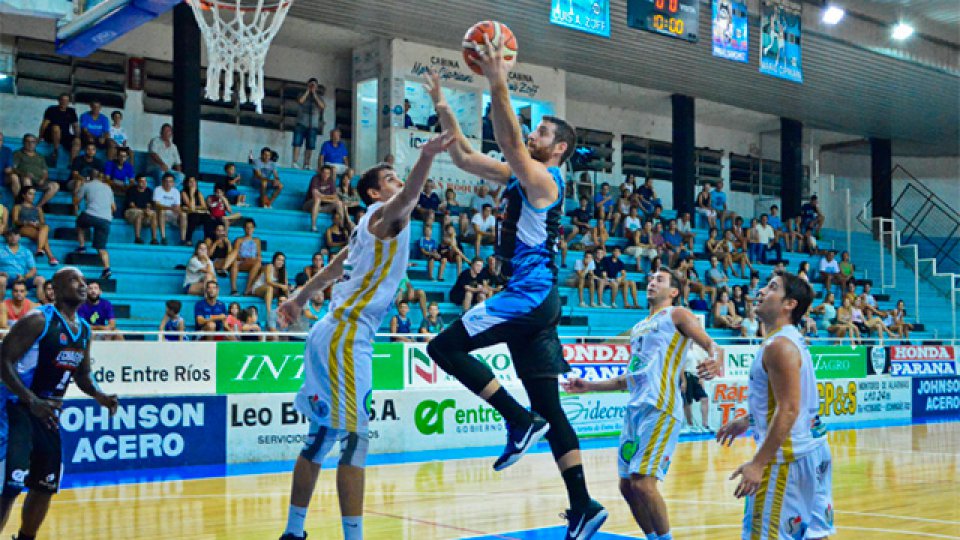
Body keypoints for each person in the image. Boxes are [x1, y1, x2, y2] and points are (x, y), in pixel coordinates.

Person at [424, 57, 607, 538]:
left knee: (442, 348)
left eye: (542, 131)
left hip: (528, 295)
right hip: (537, 301)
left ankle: (517, 420)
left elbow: (509, 142)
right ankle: (583, 505)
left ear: (559, 148)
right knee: (551, 407)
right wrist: (442, 104)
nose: (533, 134)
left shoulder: (545, 180)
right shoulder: (519, 176)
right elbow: (464, 157)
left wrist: (497, 80)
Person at [273, 132, 452, 540]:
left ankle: (293, 532)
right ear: (374, 192)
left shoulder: (364, 227)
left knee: (320, 438)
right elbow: (410, 196)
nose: (398, 182)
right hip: (347, 337)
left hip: (332, 332)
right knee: (355, 442)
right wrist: (426, 155)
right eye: (390, 179)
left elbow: (336, 266)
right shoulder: (386, 216)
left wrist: (300, 298)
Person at [562, 269, 721, 540]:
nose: (651, 282)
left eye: (659, 280)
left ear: (673, 292)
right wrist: (589, 385)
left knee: (644, 484)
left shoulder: (677, 314)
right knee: (627, 486)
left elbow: (710, 343)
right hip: (635, 410)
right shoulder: (638, 328)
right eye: (651, 278)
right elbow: (630, 378)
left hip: (661, 407)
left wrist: (715, 357)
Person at [0, 267, 119, 540]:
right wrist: (31, 400)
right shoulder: (38, 321)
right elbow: (2, 361)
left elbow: (83, 375)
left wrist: (100, 395)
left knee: (46, 484)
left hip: (47, 414)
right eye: (74, 280)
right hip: (16, 408)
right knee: (10, 485)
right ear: (55, 289)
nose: (82, 284)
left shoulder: (84, 330)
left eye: (84, 280)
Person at [716, 272, 818, 540]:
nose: (761, 291)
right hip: (802, 454)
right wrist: (749, 420)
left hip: (781, 460)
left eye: (772, 287)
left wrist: (758, 463)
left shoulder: (779, 345)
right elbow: (790, 400)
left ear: (789, 304)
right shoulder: (791, 339)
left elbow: (789, 409)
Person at [73, 170, 115, 279]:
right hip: (106, 219)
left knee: (79, 223)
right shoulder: (108, 188)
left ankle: (82, 246)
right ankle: (107, 269)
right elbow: (114, 207)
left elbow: (76, 201)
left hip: (90, 215)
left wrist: (77, 190)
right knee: (101, 248)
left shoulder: (86, 185)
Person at [12, 187, 58, 265]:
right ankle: (51, 257)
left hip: (36, 227)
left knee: (45, 227)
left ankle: (40, 249)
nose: (33, 196)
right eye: (30, 194)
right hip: (23, 227)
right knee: (42, 236)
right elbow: (15, 221)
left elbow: (42, 222)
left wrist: (37, 224)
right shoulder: (18, 207)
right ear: (24, 195)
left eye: (34, 194)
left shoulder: (38, 208)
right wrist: (27, 222)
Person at [13, 134, 58, 208]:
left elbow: (45, 172)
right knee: (27, 180)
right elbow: (13, 169)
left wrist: (43, 180)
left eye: (33, 142)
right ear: (23, 142)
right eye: (27, 141)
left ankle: (38, 207)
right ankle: (27, 206)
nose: (30, 144)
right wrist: (24, 174)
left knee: (55, 186)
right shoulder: (18, 154)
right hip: (25, 180)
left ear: (36, 143)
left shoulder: (40, 156)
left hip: (39, 181)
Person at [291, 78, 326, 169]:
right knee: (297, 143)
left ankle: (307, 164)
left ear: (317, 87)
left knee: (310, 145)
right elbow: (300, 101)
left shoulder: (319, 97)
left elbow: (322, 106)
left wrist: (314, 94)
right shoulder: (301, 94)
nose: (312, 86)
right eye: (311, 84)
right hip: (301, 123)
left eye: (314, 85)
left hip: (313, 125)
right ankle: (294, 162)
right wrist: (307, 91)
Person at [223, 219, 263, 296]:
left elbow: (259, 254)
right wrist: (244, 258)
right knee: (234, 263)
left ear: (254, 228)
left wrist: (257, 258)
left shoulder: (257, 240)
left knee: (258, 263)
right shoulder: (239, 240)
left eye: (251, 227)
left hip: (252, 262)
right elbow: (235, 254)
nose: (249, 229)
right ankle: (234, 289)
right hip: (241, 262)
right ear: (244, 229)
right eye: (247, 227)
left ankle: (247, 289)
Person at [0, 230, 46, 295]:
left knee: (41, 280)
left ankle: (42, 301)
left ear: (19, 237)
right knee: (1, 280)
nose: (13, 237)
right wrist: (1, 273)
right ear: (6, 237)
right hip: (6, 279)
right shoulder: (1, 250)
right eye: (10, 235)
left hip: (23, 279)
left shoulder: (26, 251)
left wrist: (24, 277)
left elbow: (33, 270)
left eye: (16, 235)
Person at [39, 92, 81, 162]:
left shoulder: (71, 111)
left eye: (67, 101)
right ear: (59, 101)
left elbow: (75, 126)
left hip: (64, 135)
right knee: (56, 128)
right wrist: (40, 137)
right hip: (51, 135)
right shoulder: (51, 109)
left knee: (77, 141)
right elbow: (44, 124)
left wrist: (78, 137)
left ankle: (72, 164)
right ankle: (56, 151)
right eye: (63, 100)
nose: (64, 102)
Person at [682, 343, 711, 433]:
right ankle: (689, 424)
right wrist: (683, 380)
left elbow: (699, 365)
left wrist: (701, 378)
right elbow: (681, 366)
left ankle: (705, 424)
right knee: (688, 401)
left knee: (704, 398)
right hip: (687, 374)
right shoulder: (683, 349)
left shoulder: (696, 349)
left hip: (695, 376)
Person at [304, 165, 343, 232]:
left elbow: (335, 196)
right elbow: (315, 195)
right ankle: (313, 226)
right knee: (317, 200)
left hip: (323, 206)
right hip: (310, 205)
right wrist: (329, 197)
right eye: (324, 173)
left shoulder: (331, 181)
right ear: (321, 173)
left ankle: (342, 227)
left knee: (339, 203)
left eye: (328, 173)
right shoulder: (315, 179)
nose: (326, 175)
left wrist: (323, 196)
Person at [153, 172, 187, 245]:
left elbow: (177, 206)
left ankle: (183, 239)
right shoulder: (157, 189)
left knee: (183, 215)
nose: (168, 183)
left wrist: (178, 210)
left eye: (170, 181)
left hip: (172, 214)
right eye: (166, 181)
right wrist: (170, 208)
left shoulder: (176, 191)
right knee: (162, 211)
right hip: (160, 214)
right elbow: (157, 205)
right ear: (162, 182)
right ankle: (163, 238)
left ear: (173, 183)